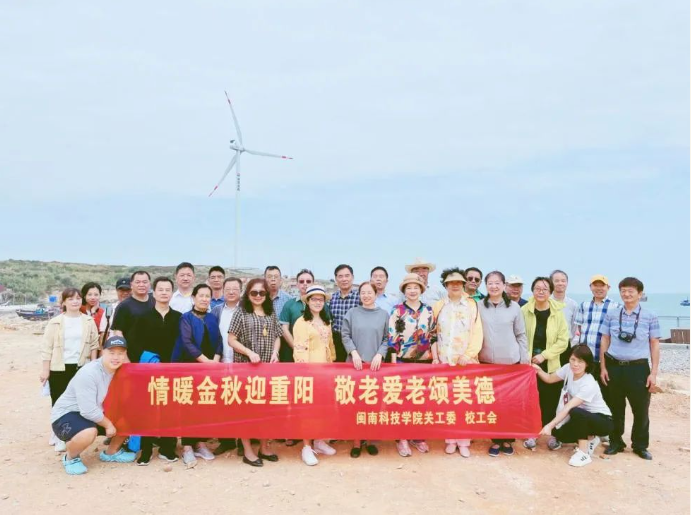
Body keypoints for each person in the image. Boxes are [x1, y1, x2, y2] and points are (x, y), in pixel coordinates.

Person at [51, 336, 136, 475]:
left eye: (120, 353)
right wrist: (109, 425)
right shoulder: (89, 373)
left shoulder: (121, 370)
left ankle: (111, 452)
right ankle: (71, 457)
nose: (116, 357)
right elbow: (88, 411)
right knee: (88, 432)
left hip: (98, 410)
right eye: (111, 353)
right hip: (68, 414)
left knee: (132, 414)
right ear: (103, 351)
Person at [599, 277, 660, 461]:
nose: (626, 294)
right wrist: (603, 367)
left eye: (630, 291)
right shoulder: (611, 314)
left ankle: (640, 445)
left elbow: (654, 344)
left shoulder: (650, 316)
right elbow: (605, 339)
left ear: (640, 294)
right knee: (615, 408)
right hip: (614, 366)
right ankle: (616, 442)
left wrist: (653, 373)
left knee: (641, 409)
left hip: (638, 368)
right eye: (623, 291)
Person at [127, 276, 181, 464]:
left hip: (172, 371)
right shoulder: (143, 318)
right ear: (154, 293)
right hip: (149, 370)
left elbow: (182, 344)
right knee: (148, 410)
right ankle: (146, 449)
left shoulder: (178, 317)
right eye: (160, 289)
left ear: (172, 293)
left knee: (169, 410)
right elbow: (133, 343)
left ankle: (167, 448)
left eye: (168, 290)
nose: (164, 293)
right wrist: (148, 360)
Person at [228, 278, 282, 467]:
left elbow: (277, 336)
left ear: (267, 294)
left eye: (262, 292)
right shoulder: (241, 312)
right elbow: (231, 340)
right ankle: (248, 451)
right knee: (246, 411)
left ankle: (264, 447)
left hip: (267, 369)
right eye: (254, 292)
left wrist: (275, 352)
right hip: (246, 368)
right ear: (248, 294)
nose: (258, 296)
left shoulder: (270, 312)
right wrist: (249, 353)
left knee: (266, 410)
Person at [532, 345, 613, 467]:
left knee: (576, 411)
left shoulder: (588, 383)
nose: (575, 364)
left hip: (603, 421)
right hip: (582, 417)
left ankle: (583, 453)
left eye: (580, 361)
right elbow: (549, 379)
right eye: (573, 359)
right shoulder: (568, 369)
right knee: (559, 434)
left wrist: (549, 425)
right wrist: (537, 370)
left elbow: (568, 407)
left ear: (587, 364)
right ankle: (591, 438)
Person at [431, 268, 483, 458]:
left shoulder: (471, 305)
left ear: (463, 285)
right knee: (447, 403)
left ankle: (464, 441)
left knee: (464, 403)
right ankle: (450, 440)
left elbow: (477, 333)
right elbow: (432, 334)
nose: (455, 286)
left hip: (465, 363)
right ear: (445, 285)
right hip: (444, 362)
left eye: (458, 283)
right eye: (451, 283)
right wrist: (435, 357)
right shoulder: (438, 306)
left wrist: (468, 355)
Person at [170, 284, 223, 468]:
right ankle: (186, 446)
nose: (204, 299)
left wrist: (216, 359)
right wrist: (206, 361)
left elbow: (219, 341)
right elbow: (187, 343)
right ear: (193, 298)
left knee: (204, 405)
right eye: (201, 295)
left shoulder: (212, 317)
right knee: (188, 407)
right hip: (189, 368)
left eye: (208, 296)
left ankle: (200, 443)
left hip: (209, 369)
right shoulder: (186, 318)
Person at [41, 288, 100, 452]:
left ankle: (72, 434)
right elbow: (47, 348)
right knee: (58, 401)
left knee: (78, 402)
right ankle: (58, 436)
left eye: (78, 298)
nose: (75, 301)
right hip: (59, 368)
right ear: (64, 302)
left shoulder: (88, 321)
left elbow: (94, 345)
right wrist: (45, 370)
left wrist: (93, 366)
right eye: (71, 299)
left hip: (81, 367)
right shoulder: (55, 322)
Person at [478, 271, 529, 456]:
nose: (494, 286)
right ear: (486, 286)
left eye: (497, 283)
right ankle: (496, 440)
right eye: (490, 283)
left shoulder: (514, 307)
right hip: (487, 363)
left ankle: (508, 439)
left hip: (510, 363)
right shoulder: (478, 306)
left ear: (504, 285)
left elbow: (521, 335)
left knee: (509, 403)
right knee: (492, 403)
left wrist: (524, 360)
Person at [387, 272, 436, 457]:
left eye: (416, 287)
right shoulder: (397, 311)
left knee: (421, 401)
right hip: (403, 361)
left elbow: (433, 336)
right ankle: (402, 439)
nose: (413, 291)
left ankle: (418, 437)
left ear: (421, 290)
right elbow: (392, 338)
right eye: (409, 288)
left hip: (424, 362)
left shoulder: (428, 311)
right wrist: (393, 364)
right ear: (404, 291)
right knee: (402, 401)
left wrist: (435, 358)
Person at [342, 281, 389, 458]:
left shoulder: (383, 315)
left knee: (373, 404)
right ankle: (356, 441)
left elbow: (387, 338)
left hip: (376, 367)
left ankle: (370, 440)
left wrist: (380, 354)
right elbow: (345, 335)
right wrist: (353, 353)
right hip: (355, 365)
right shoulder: (352, 313)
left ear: (376, 294)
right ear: (359, 295)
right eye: (363, 292)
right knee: (355, 404)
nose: (366, 295)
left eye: (370, 292)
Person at [521, 277, 569, 451]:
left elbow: (563, 340)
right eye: (537, 288)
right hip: (528, 364)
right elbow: (520, 336)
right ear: (532, 290)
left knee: (551, 400)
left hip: (551, 364)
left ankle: (551, 434)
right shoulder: (524, 310)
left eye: (545, 289)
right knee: (531, 400)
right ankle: (531, 433)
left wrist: (544, 355)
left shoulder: (558, 312)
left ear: (550, 292)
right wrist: (527, 355)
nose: (541, 292)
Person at [292, 285, 338, 465]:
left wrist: (331, 365)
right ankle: (306, 446)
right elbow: (299, 349)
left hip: (325, 372)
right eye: (314, 299)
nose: (318, 302)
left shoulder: (326, 322)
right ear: (308, 302)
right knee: (308, 410)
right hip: (309, 373)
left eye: (321, 299)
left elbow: (331, 346)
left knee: (322, 408)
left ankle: (319, 441)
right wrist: (305, 372)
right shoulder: (301, 323)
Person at [210, 276, 243, 456]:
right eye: (228, 288)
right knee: (224, 402)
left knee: (244, 402)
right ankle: (227, 440)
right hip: (222, 361)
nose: (231, 292)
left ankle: (245, 440)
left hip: (242, 362)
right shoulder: (216, 311)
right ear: (222, 291)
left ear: (241, 291)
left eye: (235, 289)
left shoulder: (246, 309)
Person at [574, 275, 619, 398]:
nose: (599, 288)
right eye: (595, 285)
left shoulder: (615, 307)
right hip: (585, 359)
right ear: (590, 287)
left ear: (608, 287)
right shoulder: (584, 305)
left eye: (602, 285)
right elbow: (579, 329)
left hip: (605, 359)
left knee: (605, 394)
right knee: (583, 393)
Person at [111, 271, 154, 360]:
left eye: (145, 282)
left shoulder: (155, 301)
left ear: (149, 284)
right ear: (131, 285)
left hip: (154, 356)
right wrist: (125, 358)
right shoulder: (123, 306)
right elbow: (118, 333)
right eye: (138, 282)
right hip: (132, 356)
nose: (141, 285)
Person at [279, 269, 315, 362]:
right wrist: (297, 349)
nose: (305, 284)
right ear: (297, 284)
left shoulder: (322, 305)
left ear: (313, 284)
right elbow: (284, 329)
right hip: (292, 352)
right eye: (301, 281)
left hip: (315, 354)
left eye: (308, 281)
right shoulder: (289, 304)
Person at [328, 264, 361, 363]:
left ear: (352, 277)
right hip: (336, 341)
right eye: (340, 276)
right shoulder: (332, 298)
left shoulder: (360, 297)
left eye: (347, 276)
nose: (344, 279)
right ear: (336, 279)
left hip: (355, 341)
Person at [550, 270, 579, 363]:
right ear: (551, 283)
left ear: (567, 283)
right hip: (548, 345)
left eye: (563, 281)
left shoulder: (573, 304)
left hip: (566, 346)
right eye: (557, 281)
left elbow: (574, 327)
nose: (560, 283)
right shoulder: (546, 302)